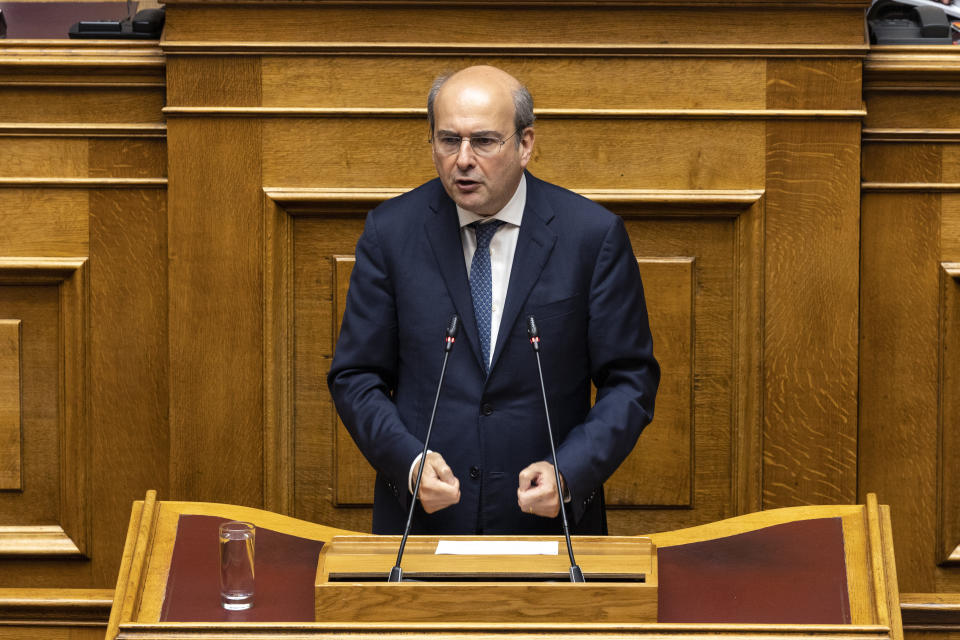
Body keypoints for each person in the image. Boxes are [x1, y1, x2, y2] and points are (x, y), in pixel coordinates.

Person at [327, 65, 659, 535]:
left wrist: (570, 472)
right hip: (424, 526)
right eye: (448, 140)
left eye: (483, 141)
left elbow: (630, 380)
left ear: (525, 144)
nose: (462, 159)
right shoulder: (391, 233)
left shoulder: (591, 236)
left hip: (549, 524)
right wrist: (408, 462)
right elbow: (356, 375)